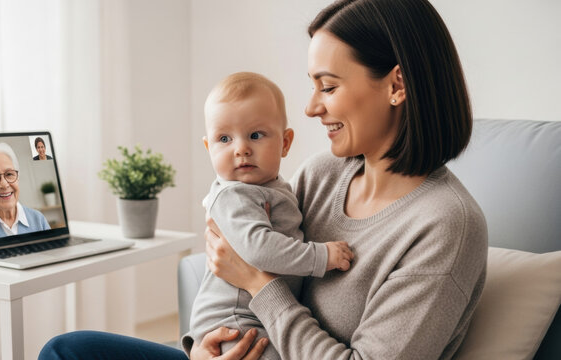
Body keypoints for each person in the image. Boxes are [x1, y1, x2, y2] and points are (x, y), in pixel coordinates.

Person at [39, 0, 487, 359]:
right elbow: (235, 266)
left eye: (327, 87)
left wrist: (259, 285)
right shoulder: (323, 174)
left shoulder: (445, 224)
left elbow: (257, 274)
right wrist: (203, 345)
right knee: (67, 349)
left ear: (397, 85)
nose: (312, 108)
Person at [181, 72, 354, 360]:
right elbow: (259, 249)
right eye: (224, 138)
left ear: (285, 143)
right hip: (236, 322)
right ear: (209, 148)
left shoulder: (273, 187)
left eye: (256, 135)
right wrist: (320, 256)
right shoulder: (234, 195)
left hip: (261, 316)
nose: (241, 149)